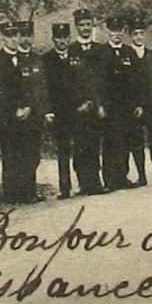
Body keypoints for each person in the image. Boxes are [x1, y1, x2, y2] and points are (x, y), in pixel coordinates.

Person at [0, 19, 49, 204]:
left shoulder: (26, 59)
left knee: (30, 154)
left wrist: (28, 107)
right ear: (3, 38)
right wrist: (14, 110)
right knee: (11, 155)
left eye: (15, 35)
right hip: (9, 118)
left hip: (28, 115)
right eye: (9, 36)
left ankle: (29, 191)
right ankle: (11, 193)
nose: (13, 39)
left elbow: (33, 88)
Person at [44, 22, 96, 199]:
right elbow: (44, 89)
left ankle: (85, 183)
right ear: (53, 39)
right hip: (60, 112)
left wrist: (87, 102)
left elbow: (88, 81)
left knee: (82, 148)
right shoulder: (47, 59)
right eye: (58, 38)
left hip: (79, 110)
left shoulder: (78, 55)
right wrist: (48, 111)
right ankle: (64, 187)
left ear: (69, 38)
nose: (62, 41)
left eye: (65, 38)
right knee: (63, 150)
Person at [99, 15, 140, 190]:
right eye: (113, 30)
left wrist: (138, 103)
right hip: (109, 106)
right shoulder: (100, 53)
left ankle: (123, 177)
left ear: (123, 32)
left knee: (125, 141)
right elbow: (96, 82)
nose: (116, 34)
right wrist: (100, 104)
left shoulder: (129, 52)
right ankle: (110, 180)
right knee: (110, 142)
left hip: (127, 106)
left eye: (119, 30)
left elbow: (137, 80)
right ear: (107, 31)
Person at [68, 8, 106, 193]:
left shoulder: (101, 50)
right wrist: (79, 103)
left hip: (97, 106)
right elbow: (68, 82)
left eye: (88, 25)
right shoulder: (71, 50)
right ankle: (83, 182)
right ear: (76, 27)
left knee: (95, 143)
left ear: (93, 26)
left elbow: (104, 80)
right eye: (81, 25)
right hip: (78, 107)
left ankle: (96, 182)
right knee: (81, 145)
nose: (85, 28)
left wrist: (99, 103)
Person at [128, 16, 152, 187]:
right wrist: (136, 103)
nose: (138, 37)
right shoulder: (126, 55)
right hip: (136, 106)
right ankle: (141, 176)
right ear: (130, 36)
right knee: (136, 140)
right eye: (135, 34)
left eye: (141, 33)